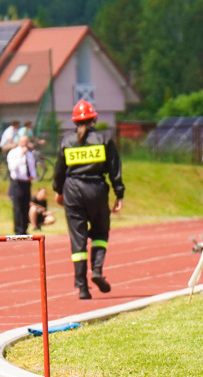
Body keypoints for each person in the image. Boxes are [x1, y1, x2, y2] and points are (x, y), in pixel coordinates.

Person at [53, 100, 125, 300]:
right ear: (94, 118)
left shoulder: (66, 141)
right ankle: (97, 270)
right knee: (100, 232)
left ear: (74, 121)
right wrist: (119, 194)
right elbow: (114, 169)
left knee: (78, 239)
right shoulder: (104, 139)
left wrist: (58, 191)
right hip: (97, 190)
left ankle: (82, 287)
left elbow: (59, 170)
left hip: (72, 191)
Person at [7, 134, 36, 235]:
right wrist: (21, 156)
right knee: (18, 206)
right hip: (17, 182)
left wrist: (33, 175)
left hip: (26, 182)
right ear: (19, 142)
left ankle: (24, 228)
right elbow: (12, 167)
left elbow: (32, 166)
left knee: (25, 205)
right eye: (23, 142)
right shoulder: (13, 153)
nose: (25, 144)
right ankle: (18, 229)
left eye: (26, 142)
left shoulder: (29, 154)